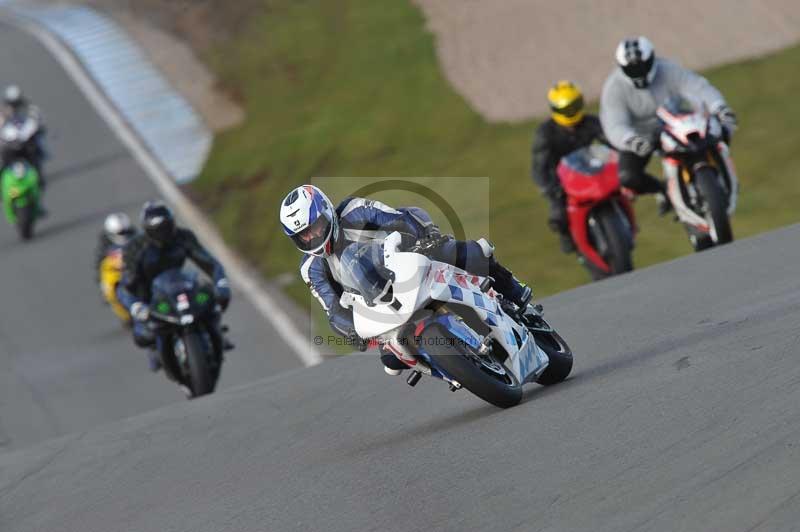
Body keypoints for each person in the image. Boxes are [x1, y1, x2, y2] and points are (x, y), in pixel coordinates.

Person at [280, 185, 532, 375]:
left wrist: (422, 237)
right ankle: (454, 371)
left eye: (315, 226)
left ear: (326, 212)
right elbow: (332, 308)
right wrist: (351, 331)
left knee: (470, 253)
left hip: (407, 261)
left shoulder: (354, 210)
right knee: (391, 360)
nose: (312, 236)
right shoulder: (311, 268)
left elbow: (396, 219)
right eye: (303, 235)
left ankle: (514, 291)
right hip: (376, 301)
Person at [600, 36, 737, 213]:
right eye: (632, 69)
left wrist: (719, 107)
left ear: (652, 59)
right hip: (641, 136)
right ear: (622, 67)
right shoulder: (614, 88)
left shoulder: (668, 69)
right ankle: (662, 190)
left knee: (720, 131)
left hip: (675, 124)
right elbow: (614, 124)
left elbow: (698, 87)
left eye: (642, 66)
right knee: (628, 177)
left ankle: (723, 174)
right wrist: (631, 140)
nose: (639, 72)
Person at [117, 201, 233, 372]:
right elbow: (125, 284)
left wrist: (221, 282)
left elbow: (209, 262)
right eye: (157, 229)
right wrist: (135, 305)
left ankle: (216, 333)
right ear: (148, 229)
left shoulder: (182, 237)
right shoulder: (135, 247)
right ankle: (157, 349)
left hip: (180, 285)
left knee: (213, 299)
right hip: (150, 295)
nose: (163, 233)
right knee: (144, 335)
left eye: (166, 227)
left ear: (172, 223)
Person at [531, 80, 606, 253]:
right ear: (555, 110)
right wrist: (548, 187)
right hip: (562, 183)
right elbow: (539, 167)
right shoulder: (545, 133)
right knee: (558, 217)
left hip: (591, 173)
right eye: (565, 109)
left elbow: (610, 140)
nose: (571, 113)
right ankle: (567, 238)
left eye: (574, 106)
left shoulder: (590, 122)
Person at [0, 85, 48, 181]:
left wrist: (37, 130)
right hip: (10, 145)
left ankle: (38, 178)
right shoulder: (3, 113)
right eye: (11, 103)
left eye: (16, 103)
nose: (14, 106)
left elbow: (38, 122)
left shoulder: (30, 110)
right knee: (3, 161)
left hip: (26, 143)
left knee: (35, 154)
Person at [94, 213, 137, 282]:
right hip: (115, 275)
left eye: (124, 232)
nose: (123, 235)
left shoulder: (135, 237)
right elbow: (99, 262)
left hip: (133, 271)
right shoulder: (105, 243)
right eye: (120, 233)